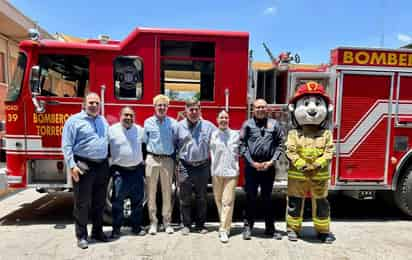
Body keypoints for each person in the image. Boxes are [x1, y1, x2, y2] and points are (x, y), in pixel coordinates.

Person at [62, 92, 110, 249]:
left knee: (100, 202)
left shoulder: (103, 120)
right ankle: (81, 236)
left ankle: (97, 232)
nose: (94, 105)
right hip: (83, 165)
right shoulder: (74, 121)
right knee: (82, 203)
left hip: (102, 165)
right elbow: (67, 145)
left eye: (97, 103)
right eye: (91, 102)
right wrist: (72, 165)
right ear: (84, 104)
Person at [240, 99, 285, 240]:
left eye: (263, 107)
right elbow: (242, 145)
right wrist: (251, 162)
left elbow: (281, 144)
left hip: (268, 167)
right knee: (250, 198)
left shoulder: (274, 124)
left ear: (267, 109)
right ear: (253, 109)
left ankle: (270, 229)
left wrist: (272, 161)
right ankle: (248, 228)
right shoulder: (247, 125)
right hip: (252, 167)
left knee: (267, 198)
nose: (260, 109)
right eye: (257, 107)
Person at [175, 99, 216, 235]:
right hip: (185, 165)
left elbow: (220, 138)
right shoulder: (178, 126)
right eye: (190, 109)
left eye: (196, 109)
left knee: (202, 197)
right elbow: (173, 144)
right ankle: (186, 225)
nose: (193, 112)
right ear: (185, 111)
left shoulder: (209, 126)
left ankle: (200, 225)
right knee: (184, 197)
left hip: (202, 166)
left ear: (200, 110)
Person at [109, 106, 146, 239]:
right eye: (126, 115)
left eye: (131, 115)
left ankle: (136, 228)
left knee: (138, 201)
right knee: (117, 202)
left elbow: (146, 146)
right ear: (120, 115)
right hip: (120, 172)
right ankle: (116, 229)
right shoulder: (112, 130)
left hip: (136, 171)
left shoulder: (140, 130)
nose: (128, 118)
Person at [144, 95, 177, 235]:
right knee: (150, 192)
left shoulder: (173, 123)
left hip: (168, 160)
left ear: (167, 108)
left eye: (164, 105)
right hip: (152, 159)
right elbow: (145, 141)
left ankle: (167, 222)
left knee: (167, 192)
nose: (162, 108)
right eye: (159, 105)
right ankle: (153, 223)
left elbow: (176, 141)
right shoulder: (148, 123)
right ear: (154, 107)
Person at [210, 110, 240, 243]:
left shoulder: (235, 135)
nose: (223, 120)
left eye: (226, 117)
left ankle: (223, 230)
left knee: (227, 201)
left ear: (229, 120)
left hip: (231, 173)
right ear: (217, 120)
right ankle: (225, 224)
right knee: (218, 200)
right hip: (216, 172)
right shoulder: (213, 135)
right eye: (221, 117)